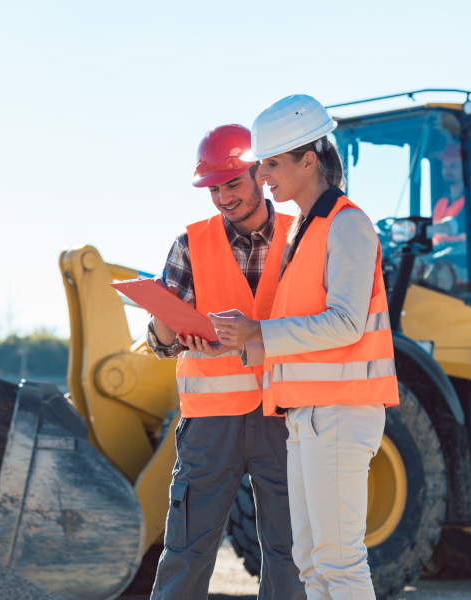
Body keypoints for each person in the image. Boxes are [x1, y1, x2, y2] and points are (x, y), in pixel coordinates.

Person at [207, 95, 399, 600]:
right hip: (306, 416)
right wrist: (230, 339)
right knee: (312, 565)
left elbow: (345, 323)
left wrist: (260, 334)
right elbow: (297, 330)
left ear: (308, 159)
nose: (262, 176)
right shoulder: (304, 231)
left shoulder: (348, 224)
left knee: (338, 563)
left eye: (271, 163)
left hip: (339, 412)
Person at [146, 124, 305, 600]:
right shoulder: (189, 244)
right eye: (213, 189)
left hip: (286, 414)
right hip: (211, 425)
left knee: (291, 552)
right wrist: (170, 326)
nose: (222, 199)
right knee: (187, 552)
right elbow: (158, 342)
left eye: (232, 184)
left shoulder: (304, 239)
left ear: (261, 174)